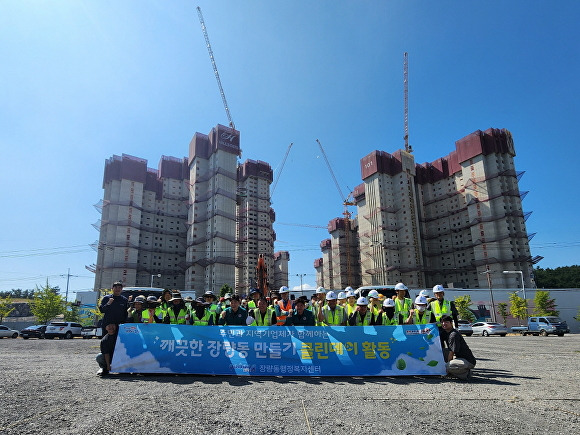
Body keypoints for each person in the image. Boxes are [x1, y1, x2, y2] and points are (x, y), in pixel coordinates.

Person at [440, 315, 476, 379]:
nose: (444, 324)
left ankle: (466, 374)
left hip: (468, 360)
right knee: (443, 351)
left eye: (446, 322)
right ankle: (458, 370)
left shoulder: (453, 335)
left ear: (451, 323)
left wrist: (447, 368)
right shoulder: (445, 333)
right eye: (442, 322)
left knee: (448, 366)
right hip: (460, 359)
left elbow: (452, 352)